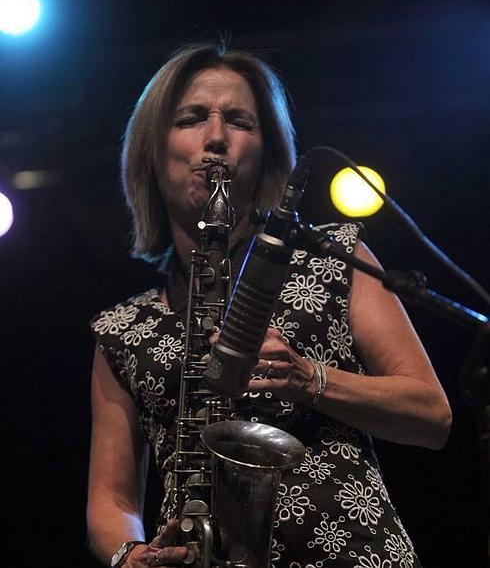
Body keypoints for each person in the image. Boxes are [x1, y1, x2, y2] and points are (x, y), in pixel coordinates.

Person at [86, 42, 452, 568]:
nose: (215, 138)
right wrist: (129, 555)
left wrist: (310, 379)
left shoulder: (335, 256)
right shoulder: (120, 331)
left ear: (268, 153)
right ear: (151, 149)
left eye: (239, 122)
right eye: (191, 119)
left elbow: (431, 414)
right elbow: (112, 499)